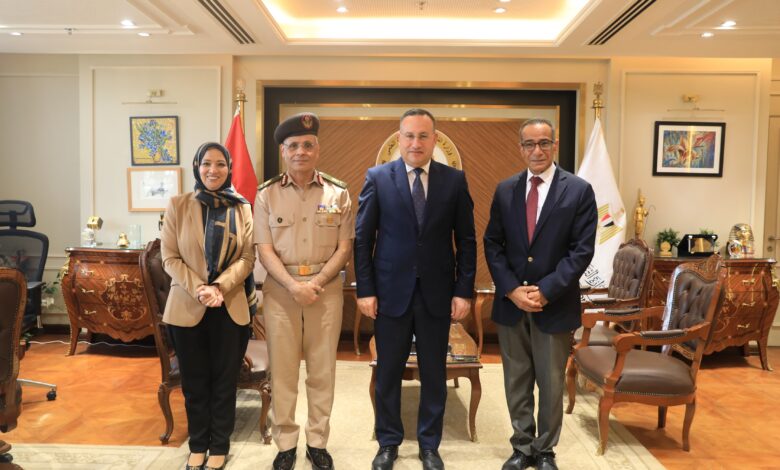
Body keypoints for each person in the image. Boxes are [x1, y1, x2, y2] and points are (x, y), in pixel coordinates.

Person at [354, 108, 476, 470]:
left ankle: (429, 444)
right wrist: (365, 290)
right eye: (409, 135)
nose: (416, 143)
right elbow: (363, 240)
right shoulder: (378, 178)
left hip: (438, 293)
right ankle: (388, 442)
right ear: (399, 139)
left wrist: (463, 291)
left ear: (434, 140)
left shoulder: (454, 180)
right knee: (388, 371)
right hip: (389, 293)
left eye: (423, 136)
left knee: (434, 372)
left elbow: (467, 241)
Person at [484, 119, 597, 470]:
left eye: (544, 143)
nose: (537, 150)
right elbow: (493, 244)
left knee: (550, 383)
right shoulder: (505, 190)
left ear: (555, 145)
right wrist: (512, 289)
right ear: (520, 148)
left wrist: (546, 291)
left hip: (555, 305)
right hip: (512, 304)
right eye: (530, 144)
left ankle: (545, 450)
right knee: (516, 380)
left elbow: (581, 251)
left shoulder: (578, 190)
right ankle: (522, 447)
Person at [254, 112, 354, 470]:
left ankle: (317, 442)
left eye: (308, 145)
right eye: (293, 145)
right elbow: (264, 250)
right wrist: (294, 285)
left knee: (322, 369)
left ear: (318, 149)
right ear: (283, 151)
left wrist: (315, 283)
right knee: (283, 371)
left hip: (325, 291)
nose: (301, 151)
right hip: (281, 291)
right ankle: (285, 443)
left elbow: (344, 247)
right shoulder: (266, 194)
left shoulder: (338, 193)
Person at [161, 142, 257, 470]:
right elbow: (169, 257)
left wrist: (219, 287)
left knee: (225, 383)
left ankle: (220, 446)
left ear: (229, 168)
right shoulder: (178, 205)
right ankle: (198, 445)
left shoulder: (242, 207)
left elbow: (248, 258)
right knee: (194, 383)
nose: (212, 170)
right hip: (187, 307)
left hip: (230, 306)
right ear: (196, 167)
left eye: (220, 164)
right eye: (206, 163)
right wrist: (200, 288)